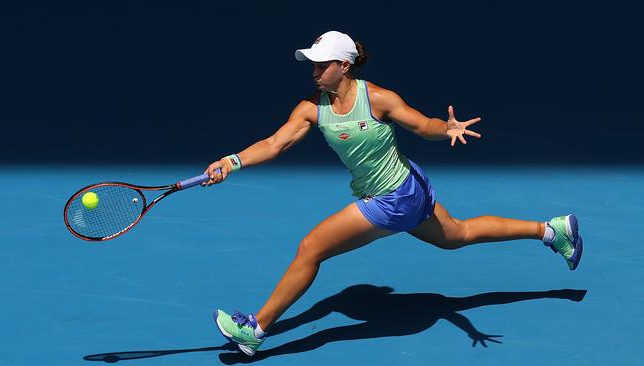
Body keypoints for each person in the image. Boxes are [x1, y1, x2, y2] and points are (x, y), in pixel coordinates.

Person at [201, 30, 584, 356]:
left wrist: (446, 128)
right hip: (409, 189)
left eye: (322, 65)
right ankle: (551, 231)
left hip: (393, 198)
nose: (315, 72)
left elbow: (423, 125)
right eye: (313, 65)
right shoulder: (310, 109)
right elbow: (274, 144)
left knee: (310, 249)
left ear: (344, 66)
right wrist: (231, 162)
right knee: (458, 236)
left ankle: (256, 329)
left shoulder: (378, 98)